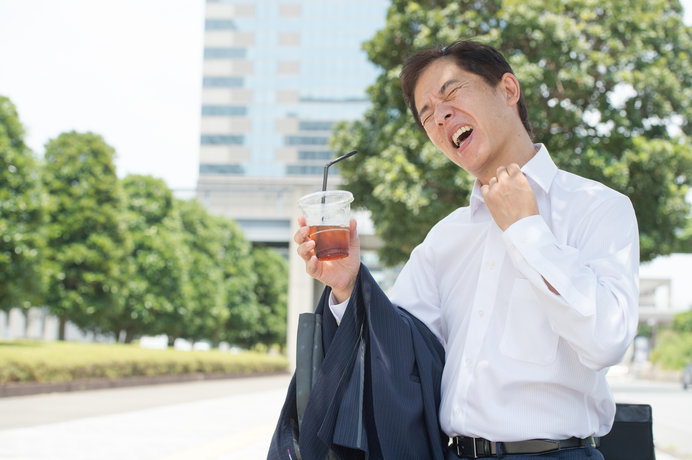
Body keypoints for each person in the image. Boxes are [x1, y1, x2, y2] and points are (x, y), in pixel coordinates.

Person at [289, 40, 640, 459]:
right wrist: (348, 285)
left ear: (508, 90)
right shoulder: (445, 237)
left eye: (452, 93)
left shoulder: (597, 207)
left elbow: (607, 341)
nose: (440, 116)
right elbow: (399, 352)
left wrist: (526, 229)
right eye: (426, 115)